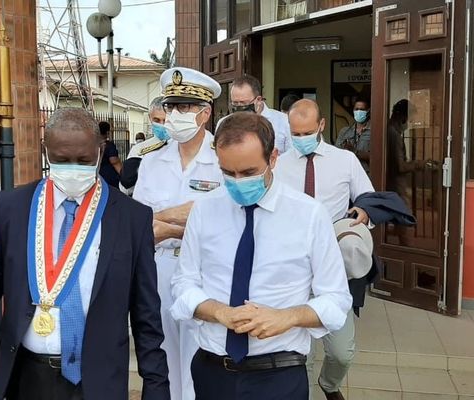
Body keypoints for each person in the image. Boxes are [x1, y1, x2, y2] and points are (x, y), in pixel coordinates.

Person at [0, 108, 170, 400]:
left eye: (83, 160)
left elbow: (146, 315)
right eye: (62, 160)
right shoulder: (14, 206)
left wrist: (156, 388)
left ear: (100, 151)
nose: (73, 168)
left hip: (97, 380)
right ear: (46, 151)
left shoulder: (132, 218)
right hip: (26, 376)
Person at [170, 112, 352, 400]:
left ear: (274, 158)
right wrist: (219, 311)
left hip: (278, 374)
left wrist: (288, 317)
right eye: (228, 173)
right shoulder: (205, 210)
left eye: (249, 172)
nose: (238, 182)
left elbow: (337, 299)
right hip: (213, 371)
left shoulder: (308, 215)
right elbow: (183, 284)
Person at [133, 67, 224, 400]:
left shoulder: (222, 160)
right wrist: (183, 221)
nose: (174, 115)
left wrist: (165, 223)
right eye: (171, 107)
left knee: (202, 358)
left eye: (184, 108)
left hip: (205, 272)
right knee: (163, 359)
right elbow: (140, 225)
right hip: (160, 271)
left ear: (204, 113)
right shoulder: (151, 161)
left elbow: (223, 225)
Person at [275, 99, 375, 400]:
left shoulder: (345, 161)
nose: (301, 139)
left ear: (321, 126)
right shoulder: (278, 165)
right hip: (292, 268)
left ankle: (329, 385)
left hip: (333, 270)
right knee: (298, 351)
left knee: (341, 351)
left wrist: (364, 212)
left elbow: (367, 198)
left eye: (307, 132)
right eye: (296, 133)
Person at [225, 75, 292, 154]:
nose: (239, 107)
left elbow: (291, 157)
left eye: (244, 103)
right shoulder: (224, 123)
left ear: (259, 100)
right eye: (235, 103)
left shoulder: (283, 121)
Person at [120, 96, 170, 196]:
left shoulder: (184, 146)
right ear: (150, 118)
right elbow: (125, 188)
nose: (162, 125)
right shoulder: (139, 149)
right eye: (157, 120)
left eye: (166, 120)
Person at [335, 98, 371, 173]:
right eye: (356, 109)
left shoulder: (374, 132)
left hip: (365, 174)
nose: (359, 112)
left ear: (368, 111)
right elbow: (336, 154)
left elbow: (376, 157)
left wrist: (354, 151)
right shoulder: (344, 132)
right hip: (348, 173)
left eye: (362, 109)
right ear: (353, 111)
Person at [98, 121, 123, 187]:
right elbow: (115, 162)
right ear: (107, 132)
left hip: (96, 176)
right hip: (109, 179)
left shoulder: (91, 144)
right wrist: (123, 175)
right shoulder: (109, 145)